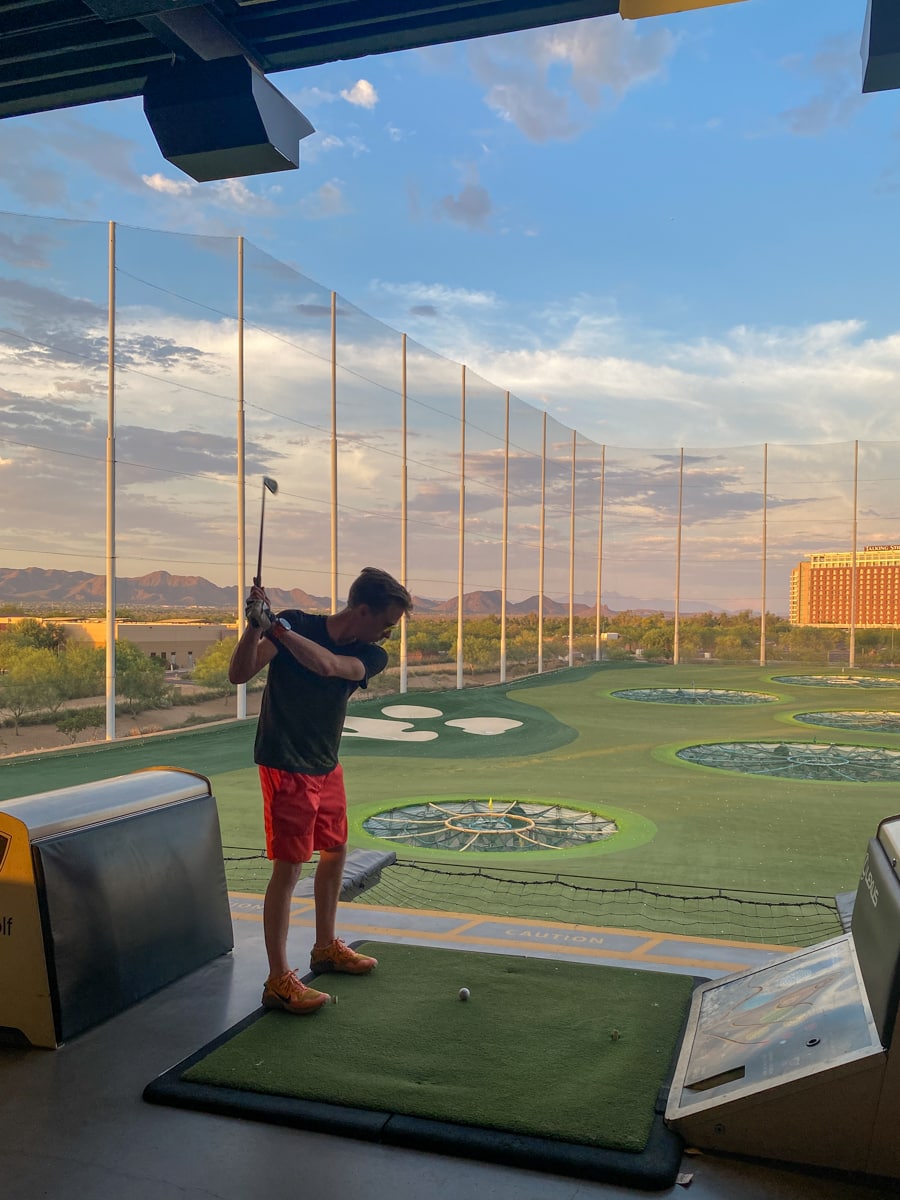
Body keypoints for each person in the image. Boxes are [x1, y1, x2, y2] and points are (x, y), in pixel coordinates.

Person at [228, 565, 412, 1015]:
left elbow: (328, 666)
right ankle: (278, 980)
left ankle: (325, 946)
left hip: (325, 762)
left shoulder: (370, 655)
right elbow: (240, 673)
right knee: (289, 869)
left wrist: (275, 627)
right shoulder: (297, 622)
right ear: (362, 610)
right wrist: (254, 628)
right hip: (285, 761)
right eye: (386, 624)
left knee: (335, 850)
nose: (388, 635)